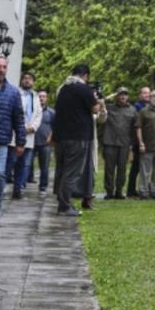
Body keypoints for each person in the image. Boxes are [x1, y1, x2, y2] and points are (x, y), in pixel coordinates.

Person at [51, 63, 101, 217]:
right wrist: (98, 99)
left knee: (61, 169)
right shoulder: (83, 88)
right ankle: (65, 206)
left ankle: (61, 200)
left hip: (61, 137)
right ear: (85, 75)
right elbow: (95, 109)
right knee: (72, 172)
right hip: (78, 137)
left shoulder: (63, 89)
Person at [0, 55, 26, 225]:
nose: (1, 70)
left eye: (4, 67)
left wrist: (20, 142)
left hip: (0, 141)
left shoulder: (13, 92)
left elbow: (19, 118)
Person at [5, 70, 42, 199]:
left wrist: (32, 127)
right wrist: (21, 127)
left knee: (25, 165)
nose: (27, 80)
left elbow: (38, 114)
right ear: (21, 81)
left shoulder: (36, 96)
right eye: (25, 78)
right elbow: (13, 112)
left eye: (30, 79)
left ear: (33, 82)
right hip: (16, 135)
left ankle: (18, 190)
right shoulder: (15, 94)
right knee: (10, 163)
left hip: (30, 136)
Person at [101, 88, 137, 199]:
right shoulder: (109, 107)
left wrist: (132, 143)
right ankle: (109, 192)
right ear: (117, 96)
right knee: (109, 169)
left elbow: (135, 128)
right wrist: (110, 95)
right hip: (110, 142)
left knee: (122, 169)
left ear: (128, 97)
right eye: (120, 94)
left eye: (125, 95)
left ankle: (119, 191)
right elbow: (99, 102)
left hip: (124, 143)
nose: (123, 97)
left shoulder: (132, 110)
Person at [124, 86, 151, 197]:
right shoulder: (137, 107)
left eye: (148, 93)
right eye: (144, 93)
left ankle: (145, 188)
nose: (147, 95)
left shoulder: (150, 106)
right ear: (140, 95)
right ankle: (131, 190)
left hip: (149, 140)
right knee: (136, 166)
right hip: (137, 141)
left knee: (147, 167)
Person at [34, 90, 54, 198]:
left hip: (45, 143)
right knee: (26, 165)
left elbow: (55, 126)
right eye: (40, 96)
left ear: (47, 98)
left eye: (44, 96)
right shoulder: (32, 110)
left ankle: (43, 187)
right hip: (31, 142)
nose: (41, 98)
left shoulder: (51, 112)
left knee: (44, 167)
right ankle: (21, 185)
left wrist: (51, 138)